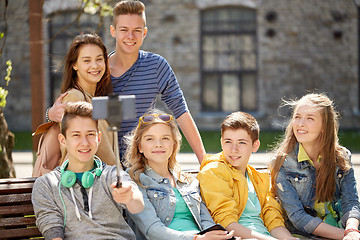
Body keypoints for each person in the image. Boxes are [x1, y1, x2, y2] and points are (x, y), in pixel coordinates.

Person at [48, 0, 206, 165]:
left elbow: (181, 112)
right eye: (124, 30)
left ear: (144, 33)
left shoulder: (157, 66)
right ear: (113, 31)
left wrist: (203, 160)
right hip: (105, 168)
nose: (130, 37)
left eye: (136, 30)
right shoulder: (98, 70)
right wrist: (50, 114)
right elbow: (75, 102)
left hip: (144, 166)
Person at [32, 101, 144, 240]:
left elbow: (137, 205)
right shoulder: (47, 185)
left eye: (90, 134)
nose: (84, 143)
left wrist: (130, 196)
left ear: (98, 138)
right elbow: (51, 230)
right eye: (76, 135)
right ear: (63, 140)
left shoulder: (113, 175)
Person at [124, 109, 236, 240]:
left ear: (174, 144)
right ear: (140, 147)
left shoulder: (188, 180)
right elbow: (152, 230)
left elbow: (206, 220)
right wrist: (196, 238)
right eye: (150, 139)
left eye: (165, 138)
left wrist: (219, 236)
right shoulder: (135, 180)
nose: (158, 145)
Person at [270, 93, 360, 239]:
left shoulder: (342, 157)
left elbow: (351, 201)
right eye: (297, 117)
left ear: (325, 125)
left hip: (341, 227)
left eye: (310, 118)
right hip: (305, 234)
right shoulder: (282, 163)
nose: (300, 124)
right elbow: (298, 217)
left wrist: (352, 230)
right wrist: (345, 236)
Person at [197, 111, 295, 240]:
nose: (234, 149)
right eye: (228, 142)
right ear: (221, 142)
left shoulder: (259, 178)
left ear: (255, 146)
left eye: (241, 142)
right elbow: (226, 223)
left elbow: (273, 220)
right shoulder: (214, 171)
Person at [50, 33, 118, 166]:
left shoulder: (95, 97)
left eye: (99, 59)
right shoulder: (74, 98)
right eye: (87, 60)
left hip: (106, 179)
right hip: (88, 181)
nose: (95, 66)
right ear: (74, 65)